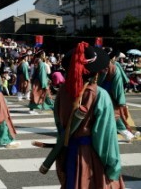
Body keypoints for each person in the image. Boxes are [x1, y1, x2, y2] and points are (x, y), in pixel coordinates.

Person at [50, 42, 125, 188]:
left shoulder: (62, 92)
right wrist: (113, 166)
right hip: (90, 157)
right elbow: (105, 138)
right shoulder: (99, 95)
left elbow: (59, 125)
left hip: (68, 152)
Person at [99, 48, 141, 142]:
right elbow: (117, 86)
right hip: (111, 96)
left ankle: (127, 134)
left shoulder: (101, 65)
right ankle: (127, 134)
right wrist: (121, 100)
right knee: (117, 116)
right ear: (114, 57)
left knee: (109, 116)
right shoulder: (114, 67)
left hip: (99, 94)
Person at [28, 50, 54, 114]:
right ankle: (52, 107)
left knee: (37, 95)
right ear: (42, 55)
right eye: (44, 55)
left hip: (36, 81)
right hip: (40, 82)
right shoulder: (41, 63)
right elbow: (42, 74)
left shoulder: (36, 61)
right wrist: (44, 84)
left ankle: (50, 107)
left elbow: (34, 73)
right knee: (40, 95)